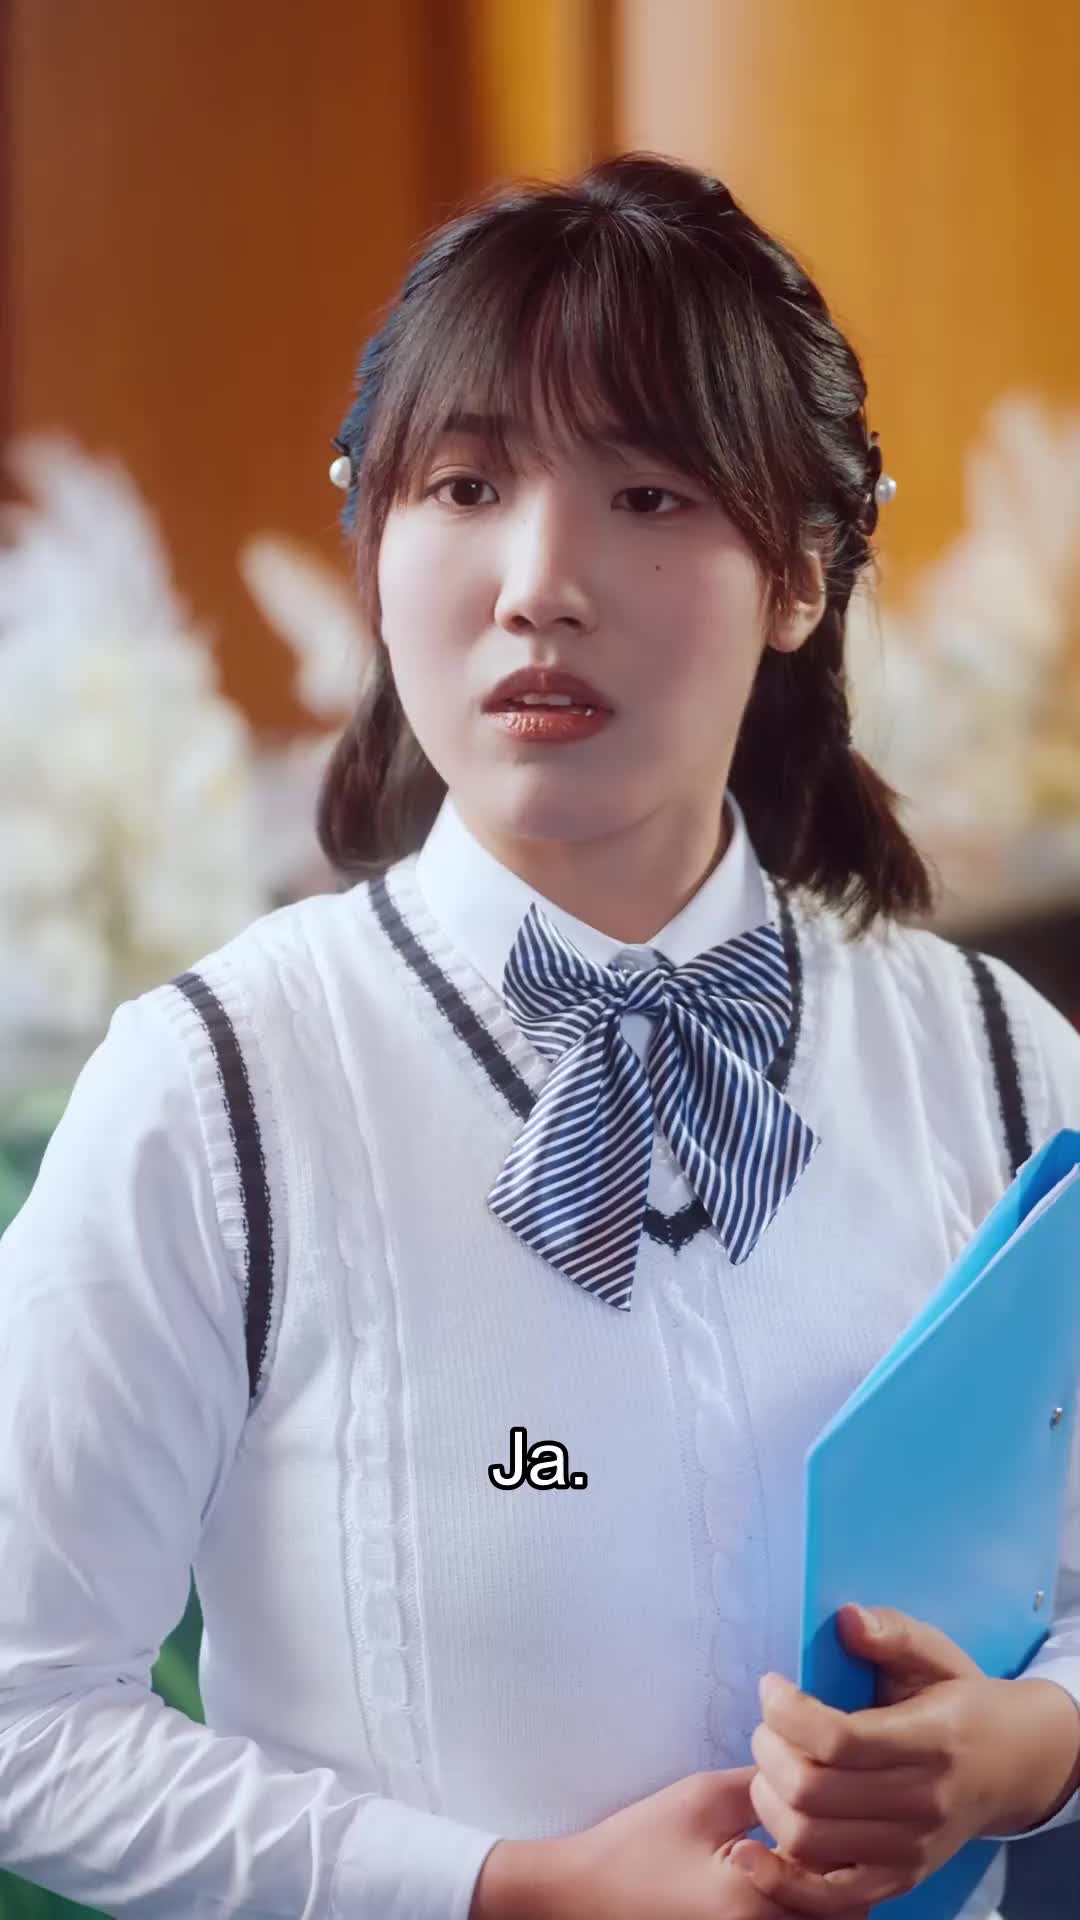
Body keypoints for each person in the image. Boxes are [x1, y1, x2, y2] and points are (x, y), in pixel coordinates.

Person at [0, 152, 1077, 1920]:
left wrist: (1034, 1745)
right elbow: (24, 1711)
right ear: (375, 543)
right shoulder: (219, 1091)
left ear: (802, 576)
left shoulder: (996, 1057)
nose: (539, 582)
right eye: (467, 485)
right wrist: (509, 1889)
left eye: (647, 492)